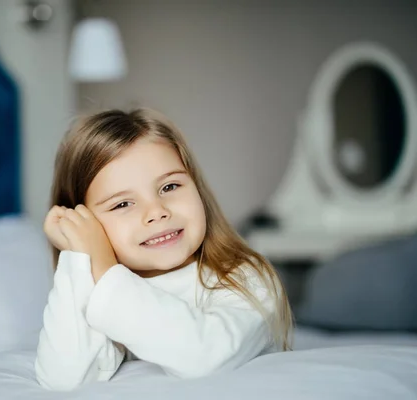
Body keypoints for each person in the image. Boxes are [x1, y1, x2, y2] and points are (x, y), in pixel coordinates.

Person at [35, 108, 293, 391]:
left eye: (170, 186)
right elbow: (64, 379)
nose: (156, 212)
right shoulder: (101, 291)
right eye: (122, 204)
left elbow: (204, 354)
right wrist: (80, 256)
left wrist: (106, 271)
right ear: (87, 223)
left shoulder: (246, 278)